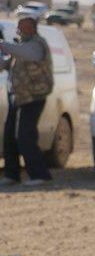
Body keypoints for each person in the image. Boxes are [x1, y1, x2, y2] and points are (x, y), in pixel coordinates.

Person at [1, 12, 54, 186]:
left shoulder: (37, 45)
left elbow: (25, 54)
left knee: (25, 136)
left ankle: (40, 175)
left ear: (31, 27)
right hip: (17, 98)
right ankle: (12, 174)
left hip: (33, 98)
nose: (18, 29)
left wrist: (3, 45)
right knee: (9, 137)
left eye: (21, 25)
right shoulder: (21, 45)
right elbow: (7, 63)